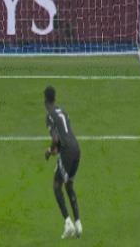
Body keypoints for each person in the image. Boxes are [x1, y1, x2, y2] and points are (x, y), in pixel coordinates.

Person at [43, 86, 82, 239]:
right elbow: (64, 135)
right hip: (76, 149)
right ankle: (78, 223)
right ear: (55, 98)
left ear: (45, 100)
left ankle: (68, 223)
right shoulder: (63, 112)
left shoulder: (50, 116)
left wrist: (50, 150)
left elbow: (55, 139)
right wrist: (54, 150)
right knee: (69, 185)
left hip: (67, 152)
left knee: (56, 185)